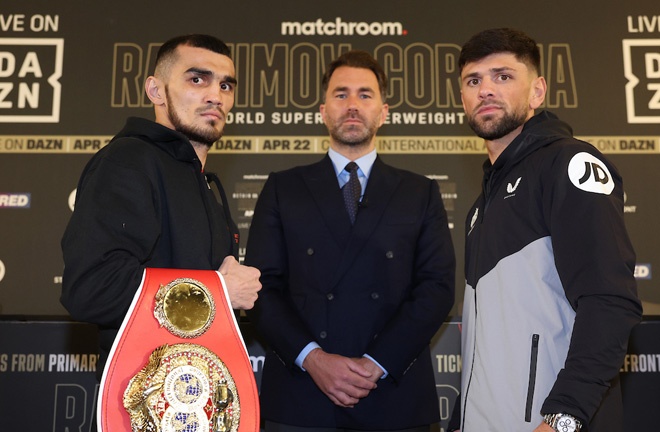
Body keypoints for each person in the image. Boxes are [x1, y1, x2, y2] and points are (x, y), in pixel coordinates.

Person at [244, 50, 456, 431]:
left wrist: (375, 363)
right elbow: (261, 289)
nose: (353, 105)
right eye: (341, 94)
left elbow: (436, 288)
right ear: (323, 110)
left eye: (365, 94)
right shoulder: (283, 188)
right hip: (301, 398)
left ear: (384, 111)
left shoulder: (420, 192)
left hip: (394, 397)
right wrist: (314, 359)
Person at [453, 28, 642, 432]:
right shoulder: (478, 207)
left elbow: (609, 301)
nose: (486, 89)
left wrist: (562, 419)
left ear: (537, 92)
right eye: (473, 80)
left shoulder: (569, 165)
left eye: (503, 76)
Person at [60, 34, 262, 378]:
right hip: (142, 404)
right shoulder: (127, 160)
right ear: (155, 91)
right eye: (197, 79)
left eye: (226, 86)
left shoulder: (205, 183)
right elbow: (92, 289)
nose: (215, 96)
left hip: (201, 399)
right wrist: (218, 289)